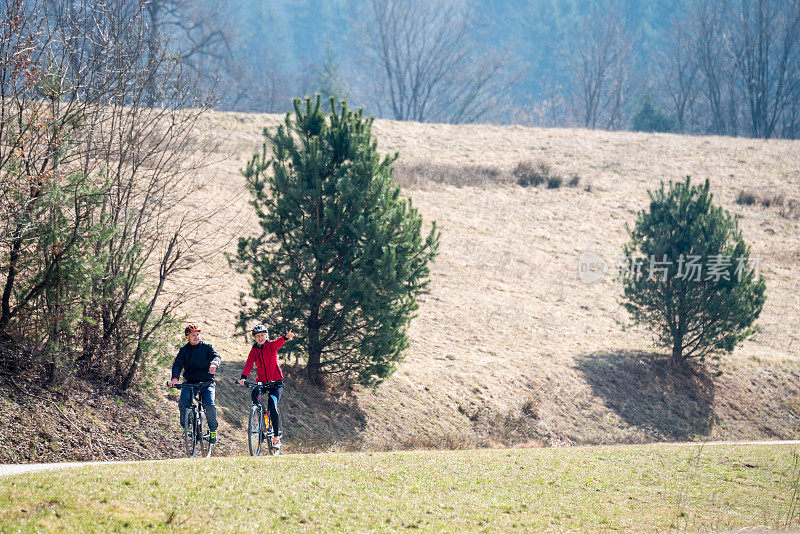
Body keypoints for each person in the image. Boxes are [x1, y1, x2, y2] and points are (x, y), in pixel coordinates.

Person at [237, 324, 294, 450]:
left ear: (266, 336)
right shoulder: (254, 350)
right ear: (255, 338)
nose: (260, 338)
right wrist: (243, 377)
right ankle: (259, 416)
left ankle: (276, 436)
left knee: (272, 405)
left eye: (262, 335)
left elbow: (279, 342)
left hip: (276, 383)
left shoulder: (271, 346)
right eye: (258, 336)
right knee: (254, 392)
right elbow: (248, 364)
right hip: (262, 382)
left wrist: (286, 337)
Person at [169, 324, 221, 444]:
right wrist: (175, 379)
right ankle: (187, 427)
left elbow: (216, 356)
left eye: (197, 334)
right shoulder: (184, 350)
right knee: (183, 401)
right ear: (188, 337)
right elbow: (177, 365)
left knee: (209, 404)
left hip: (207, 383)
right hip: (190, 383)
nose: (196, 337)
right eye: (193, 335)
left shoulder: (207, 347)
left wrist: (214, 364)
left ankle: (213, 430)